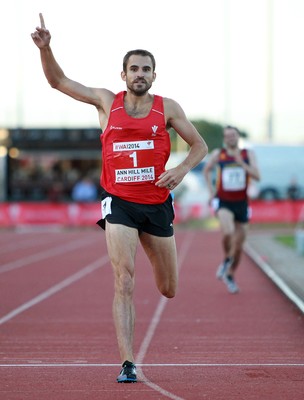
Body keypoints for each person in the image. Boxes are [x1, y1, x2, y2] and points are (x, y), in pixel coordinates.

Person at [31, 14, 208, 383]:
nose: (140, 74)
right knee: (123, 280)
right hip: (119, 203)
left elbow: (200, 145)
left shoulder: (168, 107)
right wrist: (47, 50)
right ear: (123, 75)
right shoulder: (104, 102)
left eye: (146, 69)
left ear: (154, 76)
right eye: (134, 69)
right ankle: (128, 361)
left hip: (157, 204)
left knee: (168, 289)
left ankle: (155, 261)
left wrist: (181, 169)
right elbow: (58, 81)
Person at [203, 126, 260, 294]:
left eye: (233, 135)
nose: (231, 138)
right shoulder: (217, 154)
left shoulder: (247, 154)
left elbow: (257, 176)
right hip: (224, 201)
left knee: (240, 246)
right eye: (227, 136)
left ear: (237, 137)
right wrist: (211, 191)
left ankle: (230, 273)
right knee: (227, 233)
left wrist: (241, 163)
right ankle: (227, 259)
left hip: (242, 202)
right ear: (224, 138)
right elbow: (207, 171)